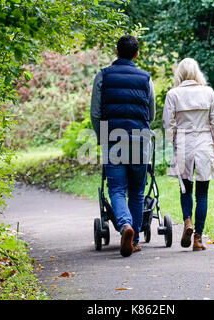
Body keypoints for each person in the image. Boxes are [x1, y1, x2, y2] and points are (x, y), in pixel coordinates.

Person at [90, 35, 156, 257]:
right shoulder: (146, 79)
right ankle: (134, 239)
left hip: (113, 139)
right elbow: (152, 113)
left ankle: (125, 225)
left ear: (116, 52)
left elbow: (96, 113)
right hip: (139, 139)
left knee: (116, 189)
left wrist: (103, 138)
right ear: (136, 54)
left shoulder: (103, 76)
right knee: (137, 192)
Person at [163, 58, 214, 251]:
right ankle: (197, 238)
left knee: (185, 188)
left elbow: (168, 124)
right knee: (202, 194)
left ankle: (187, 221)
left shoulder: (173, 94)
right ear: (197, 73)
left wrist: (173, 142)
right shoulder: (208, 92)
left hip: (183, 143)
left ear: (179, 74)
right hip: (204, 143)